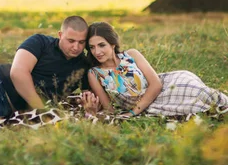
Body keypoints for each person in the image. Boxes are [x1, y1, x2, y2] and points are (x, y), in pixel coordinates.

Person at [81, 21, 228, 117]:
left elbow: (156, 83)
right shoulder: (94, 74)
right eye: (92, 47)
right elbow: (109, 109)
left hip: (166, 86)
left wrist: (133, 112)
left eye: (102, 45)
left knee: (201, 92)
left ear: (112, 44)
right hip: (154, 104)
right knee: (200, 100)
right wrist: (93, 111)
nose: (97, 52)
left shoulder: (131, 55)